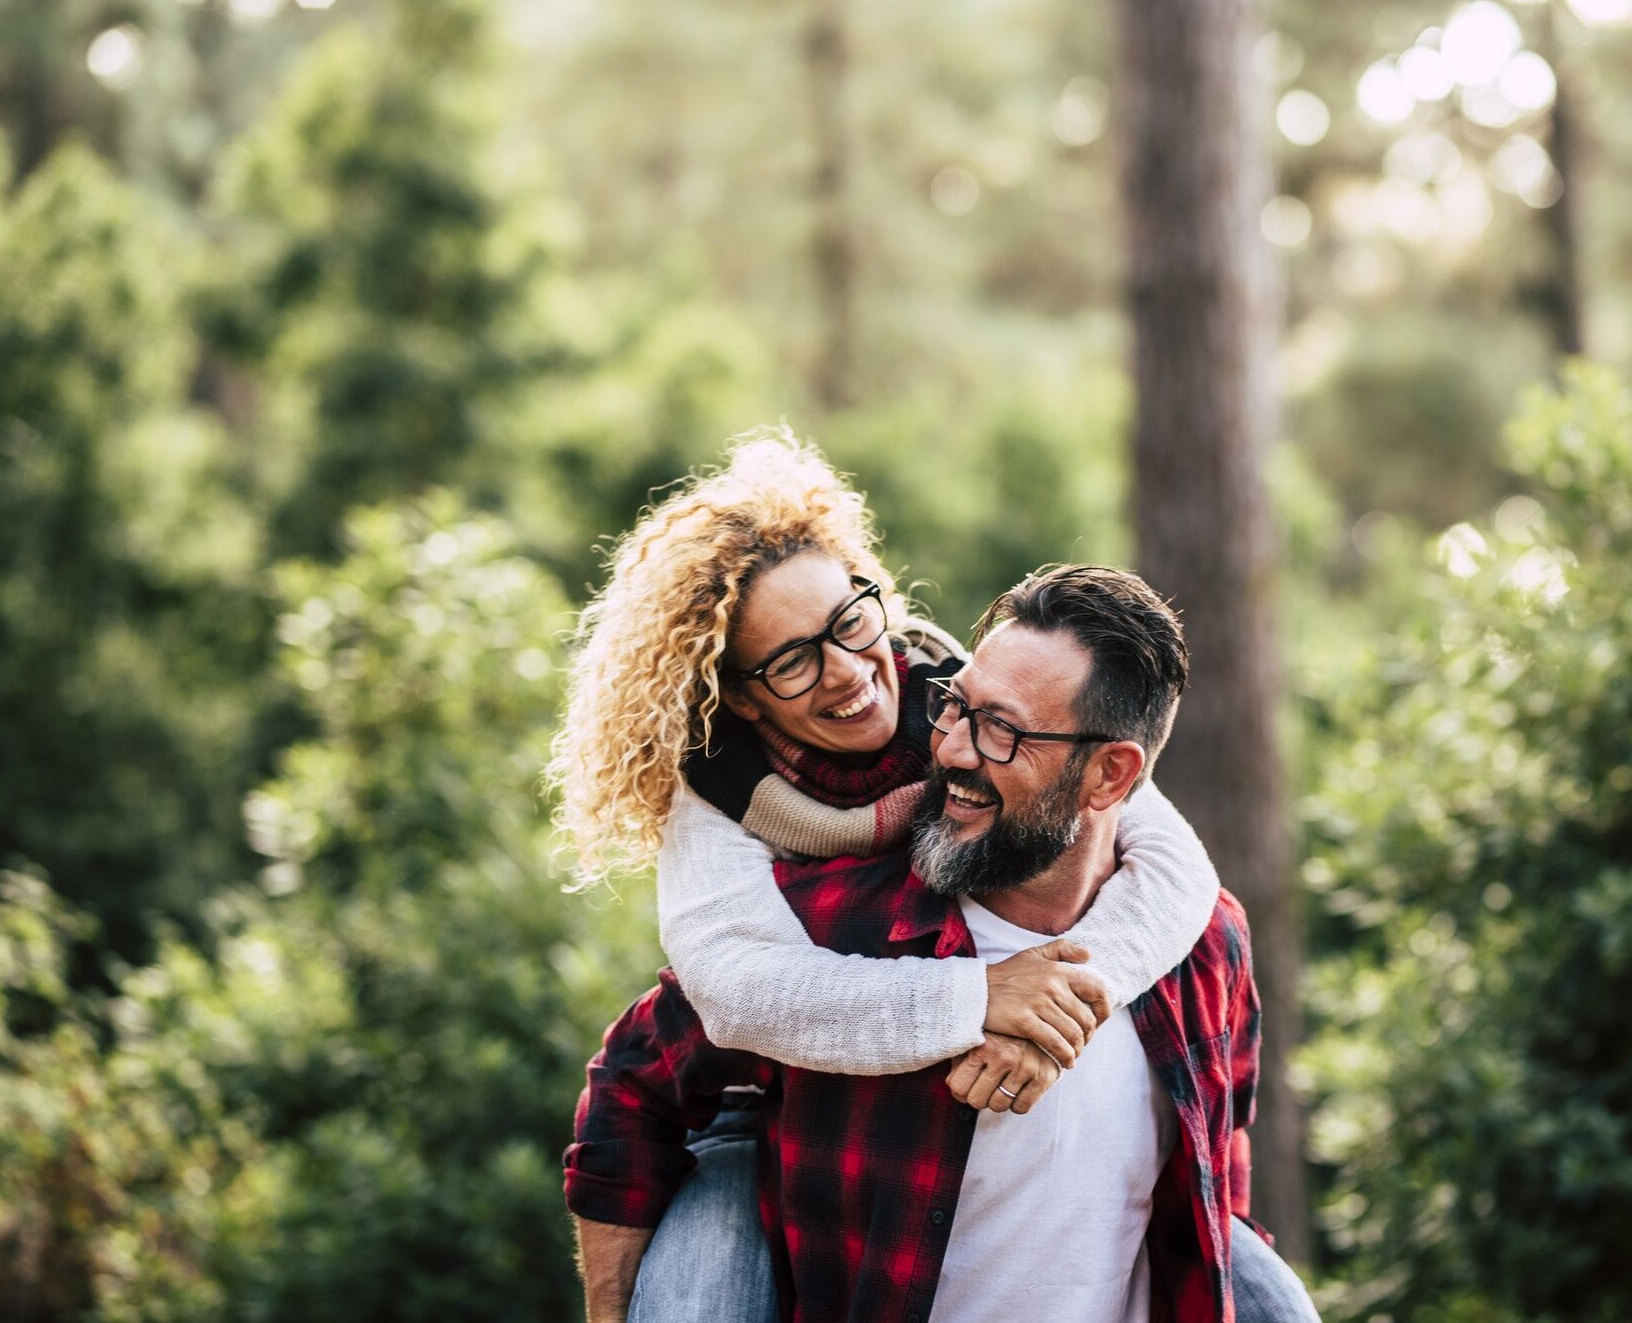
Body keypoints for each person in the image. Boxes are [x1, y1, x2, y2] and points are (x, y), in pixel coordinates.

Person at [550, 434, 1315, 1320]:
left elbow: (1175, 874)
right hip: (749, 1100)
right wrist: (978, 996)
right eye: (792, 661)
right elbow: (715, 1006)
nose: (849, 675)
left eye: (849, 624)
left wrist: (1075, 993)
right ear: (747, 698)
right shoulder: (748, 833)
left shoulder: (1197, 938)